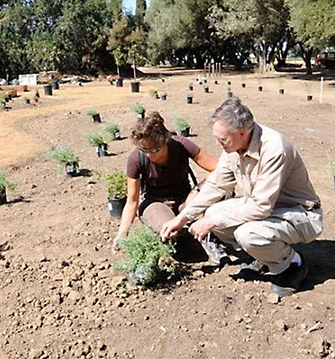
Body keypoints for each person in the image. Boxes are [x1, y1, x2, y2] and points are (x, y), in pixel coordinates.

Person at [160, 98, 323, 297]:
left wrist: (211, 222)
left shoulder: (274, 149)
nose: (217, 144)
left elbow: (261, 207)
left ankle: (293, 264)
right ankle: (266, 255)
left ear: (242, 133)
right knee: (213, 212)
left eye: (222, 139)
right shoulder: (234, 146)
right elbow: (216, 185)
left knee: (247, 233)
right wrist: (182, 217)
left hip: (299, 212)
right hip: (268, 209)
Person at [112, 112, 218, 248]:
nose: (149, 154)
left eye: (155, 149)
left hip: (184, 200)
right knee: (169, 231)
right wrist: (122, 235)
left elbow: (218, 169)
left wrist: (196, 191)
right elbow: (132, 202)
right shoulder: (136, 159)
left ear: (165, 140)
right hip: (155, 203)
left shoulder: (181, 145)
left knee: (216, 193)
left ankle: (214, 238)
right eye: (144, 149)